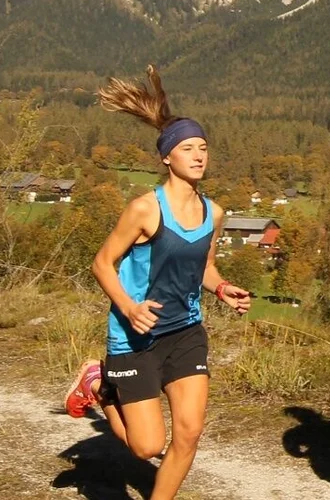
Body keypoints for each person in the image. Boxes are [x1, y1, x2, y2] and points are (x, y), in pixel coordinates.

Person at [60, 66, 252, 500]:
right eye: (188, 148)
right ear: (167, 156)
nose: (199, 155)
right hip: (135, 337)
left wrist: (222, 289)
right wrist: (129, 308)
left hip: (185, 332)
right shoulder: (145, 209)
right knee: (147, 446)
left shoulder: (214, 213)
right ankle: (98, 381)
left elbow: (203, 266)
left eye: (203, 147)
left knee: (190, 433)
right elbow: (101, 264)